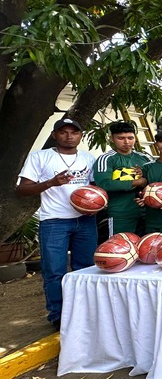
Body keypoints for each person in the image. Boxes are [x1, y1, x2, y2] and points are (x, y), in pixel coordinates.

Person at [17, 118, 97, 329]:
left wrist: (97, 202)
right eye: (63, 132)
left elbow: (95, 187)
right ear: (54, 135)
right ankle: (58, 316)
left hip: (85, 220)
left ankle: (84, 313)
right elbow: (22, 189)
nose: (69, 136)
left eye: (74, 132)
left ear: (80, 135)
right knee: (54, 271)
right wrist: (51, 183)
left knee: (86, 270)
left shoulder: (88, 158)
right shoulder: (40, 157)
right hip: (54, 221)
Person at [93, 121, 153, 236]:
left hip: (146, 212)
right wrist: (136, 182)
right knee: (120, 244)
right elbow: (104, 184)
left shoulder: (145, 158)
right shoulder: (106, 159)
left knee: (146, 245)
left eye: (130, 138)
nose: (126, 142)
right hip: (119, 213)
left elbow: (156, 181)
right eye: (121, 138)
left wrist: (146, 179)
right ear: (111, 139)